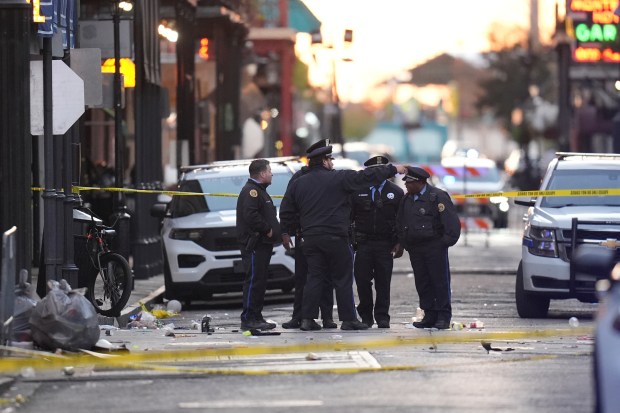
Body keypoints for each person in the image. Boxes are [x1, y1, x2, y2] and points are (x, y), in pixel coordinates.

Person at [280, 141, 407, 331]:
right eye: (330, 159)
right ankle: (348, 319)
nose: (332, 163)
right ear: (323, 161)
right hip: (336, 237)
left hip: (311, 238)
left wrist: (287, 231)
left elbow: (287, 210)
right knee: (342, 278)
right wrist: (393, 169)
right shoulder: (339, 178)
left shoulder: (298, 183)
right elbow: (367, 175)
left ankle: (307, 319)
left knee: (314, 278)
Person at [396, 166, 461, 330]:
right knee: (423, 282)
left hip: (434, 247)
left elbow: (451, 223)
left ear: (420, 182)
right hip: (416, 248)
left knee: (439, 282)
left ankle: (443, 316)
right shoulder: (407, 199)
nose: (406, 185)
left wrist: (443, 243)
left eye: (409, 182)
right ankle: (429, 314)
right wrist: (404, 243)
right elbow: (401, 222)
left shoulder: (437, 196)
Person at [281, 140, 335, 330]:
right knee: (303, 278)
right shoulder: (299, 177)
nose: (331, 162)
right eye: (328, 158)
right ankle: (299, 316)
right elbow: (288, 207)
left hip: (320, 234)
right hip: (304, 234)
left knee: (326, 278)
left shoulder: (331, 177)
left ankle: (327, 317)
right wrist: (286, 231)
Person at [351, 155, 404, 329]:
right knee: (362, 281)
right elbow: (349, 217)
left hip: (385, 243)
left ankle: (382, 316)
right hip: (363, 243)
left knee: (383, 282)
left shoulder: (396, 192)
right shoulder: (358, 190)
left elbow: (400, 220)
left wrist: (399, 242)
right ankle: (365, 315)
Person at [236, 159, 281, 331]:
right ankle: (248, 318)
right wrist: (268, 229)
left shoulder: (259, 190)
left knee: (260, 281)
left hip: (262, 245)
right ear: (262, 174)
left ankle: (256, 316)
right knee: (254, 280)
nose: (271, 173)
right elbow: (251, 215)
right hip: (256, 244)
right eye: (269, 170)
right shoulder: (252, 192)